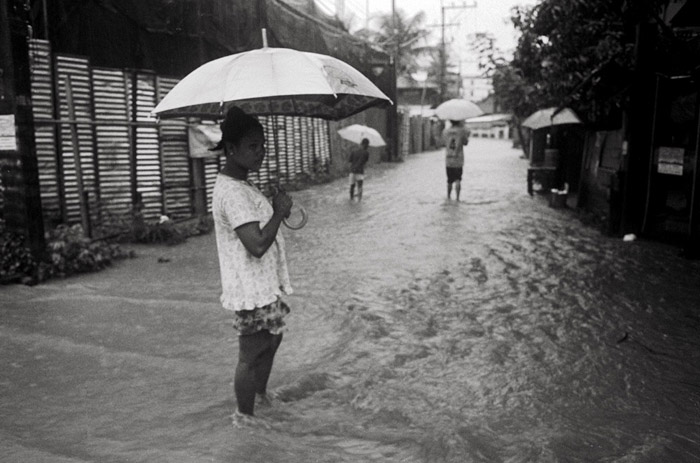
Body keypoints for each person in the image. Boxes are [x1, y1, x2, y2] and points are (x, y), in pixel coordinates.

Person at [211, 106, 294, 423]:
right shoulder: (232, 192)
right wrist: (278, 213)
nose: (260, 152)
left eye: (262, 145)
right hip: (250, 288)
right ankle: (244, 417)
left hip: (262, 285)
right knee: (250, 352)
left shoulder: (243, 184)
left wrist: (275, 208)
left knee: (272, 338)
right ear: (231, 149)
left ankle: (260, 397)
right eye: (252, 146)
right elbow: (257, 244)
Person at [442, 120, 470, 200]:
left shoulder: (445, 131)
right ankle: (457, 198)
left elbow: (443, 142)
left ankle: (448, 197)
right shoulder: (462, 131)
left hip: (449, 159)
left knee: (449, 180)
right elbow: (465, 143)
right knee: (458, 179)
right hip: (458, 159)